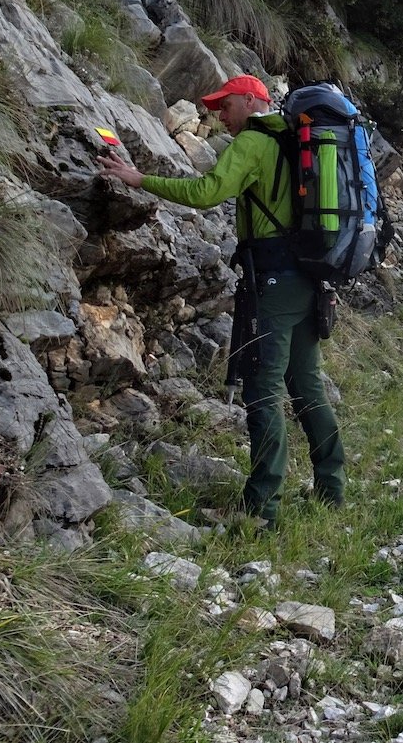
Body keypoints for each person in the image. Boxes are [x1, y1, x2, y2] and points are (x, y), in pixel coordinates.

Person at [96, 74, 346, 521]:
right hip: (309, 277)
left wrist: (139, 179)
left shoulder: (254, 142)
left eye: (226, 105)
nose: (219, 115)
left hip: (274, 280)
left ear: (252, 100)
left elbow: (206, 193)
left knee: (263, 390)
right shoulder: (292, 141)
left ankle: (262, 508)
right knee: (306, 384)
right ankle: (332, 487)